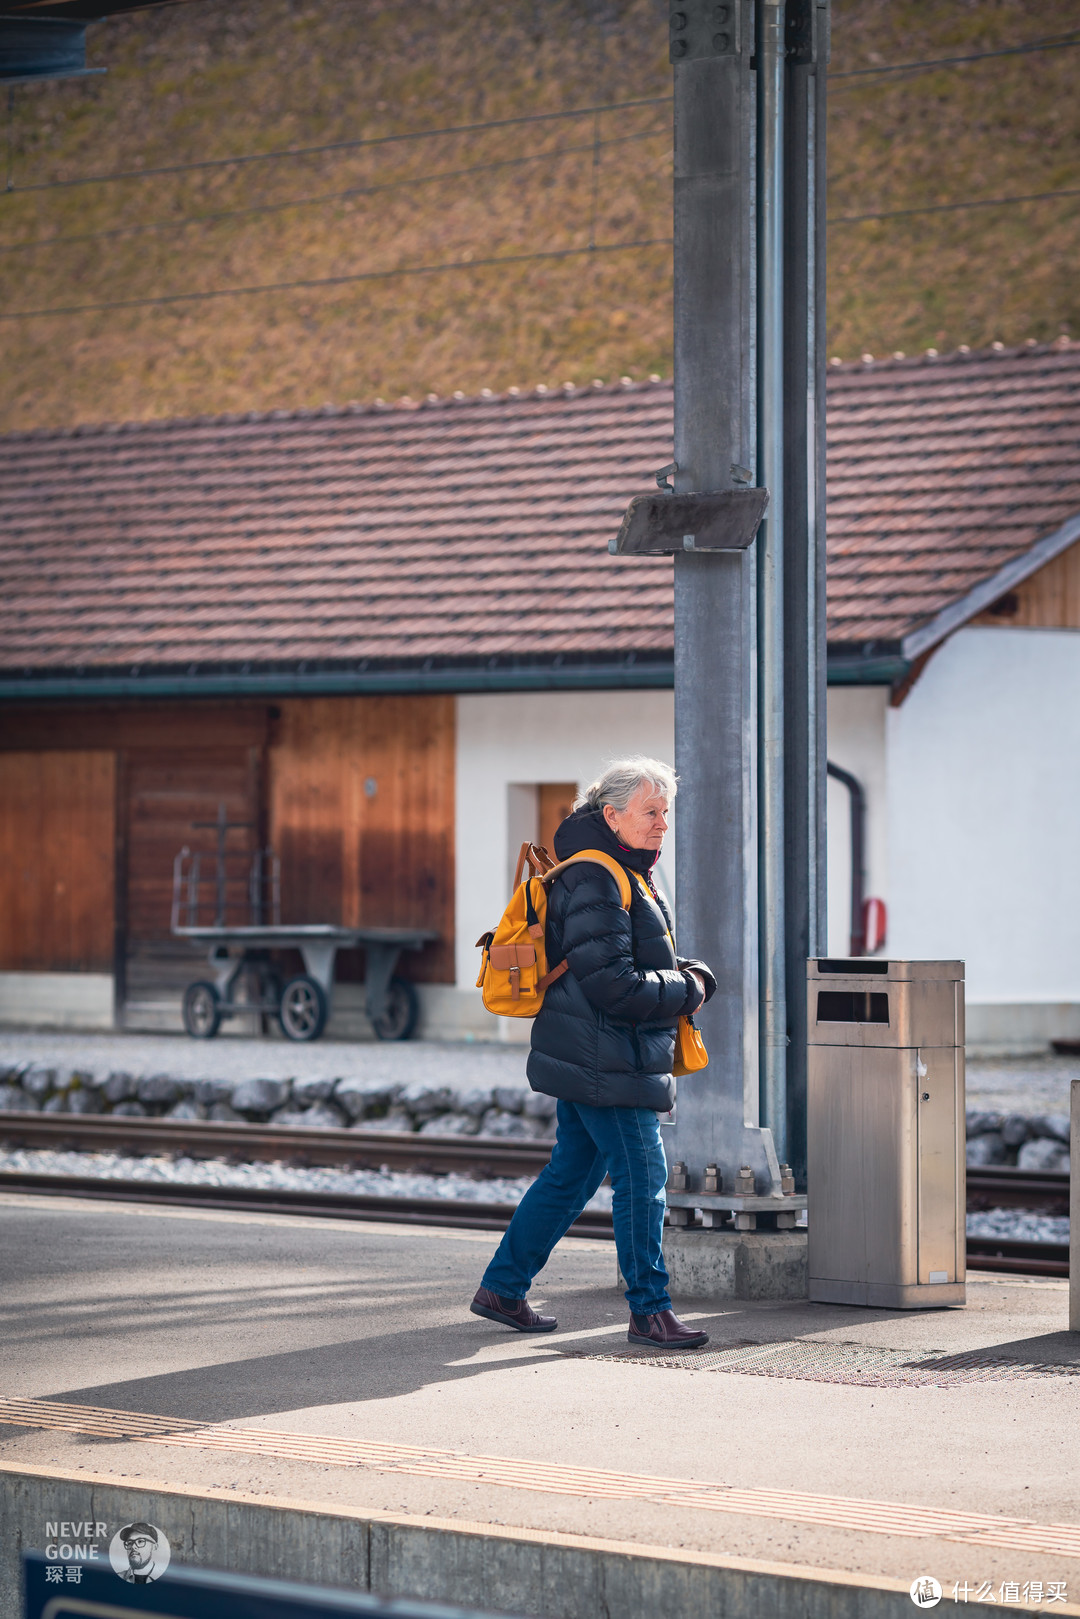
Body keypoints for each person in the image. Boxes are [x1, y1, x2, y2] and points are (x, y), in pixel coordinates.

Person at [471, 757, 716, 1349]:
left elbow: (615, 965)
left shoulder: (622, 871)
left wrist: (676, 972)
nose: (661, 823)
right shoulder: (600, 877)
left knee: (572, 1174)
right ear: (611, 815)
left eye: (665, 812)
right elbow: (613, 983)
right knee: (644, 1176)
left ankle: (503, 1288)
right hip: (608, 1059)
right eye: (649, 812)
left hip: (593, 1051)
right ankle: (650, 1312)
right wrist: (693, 985)